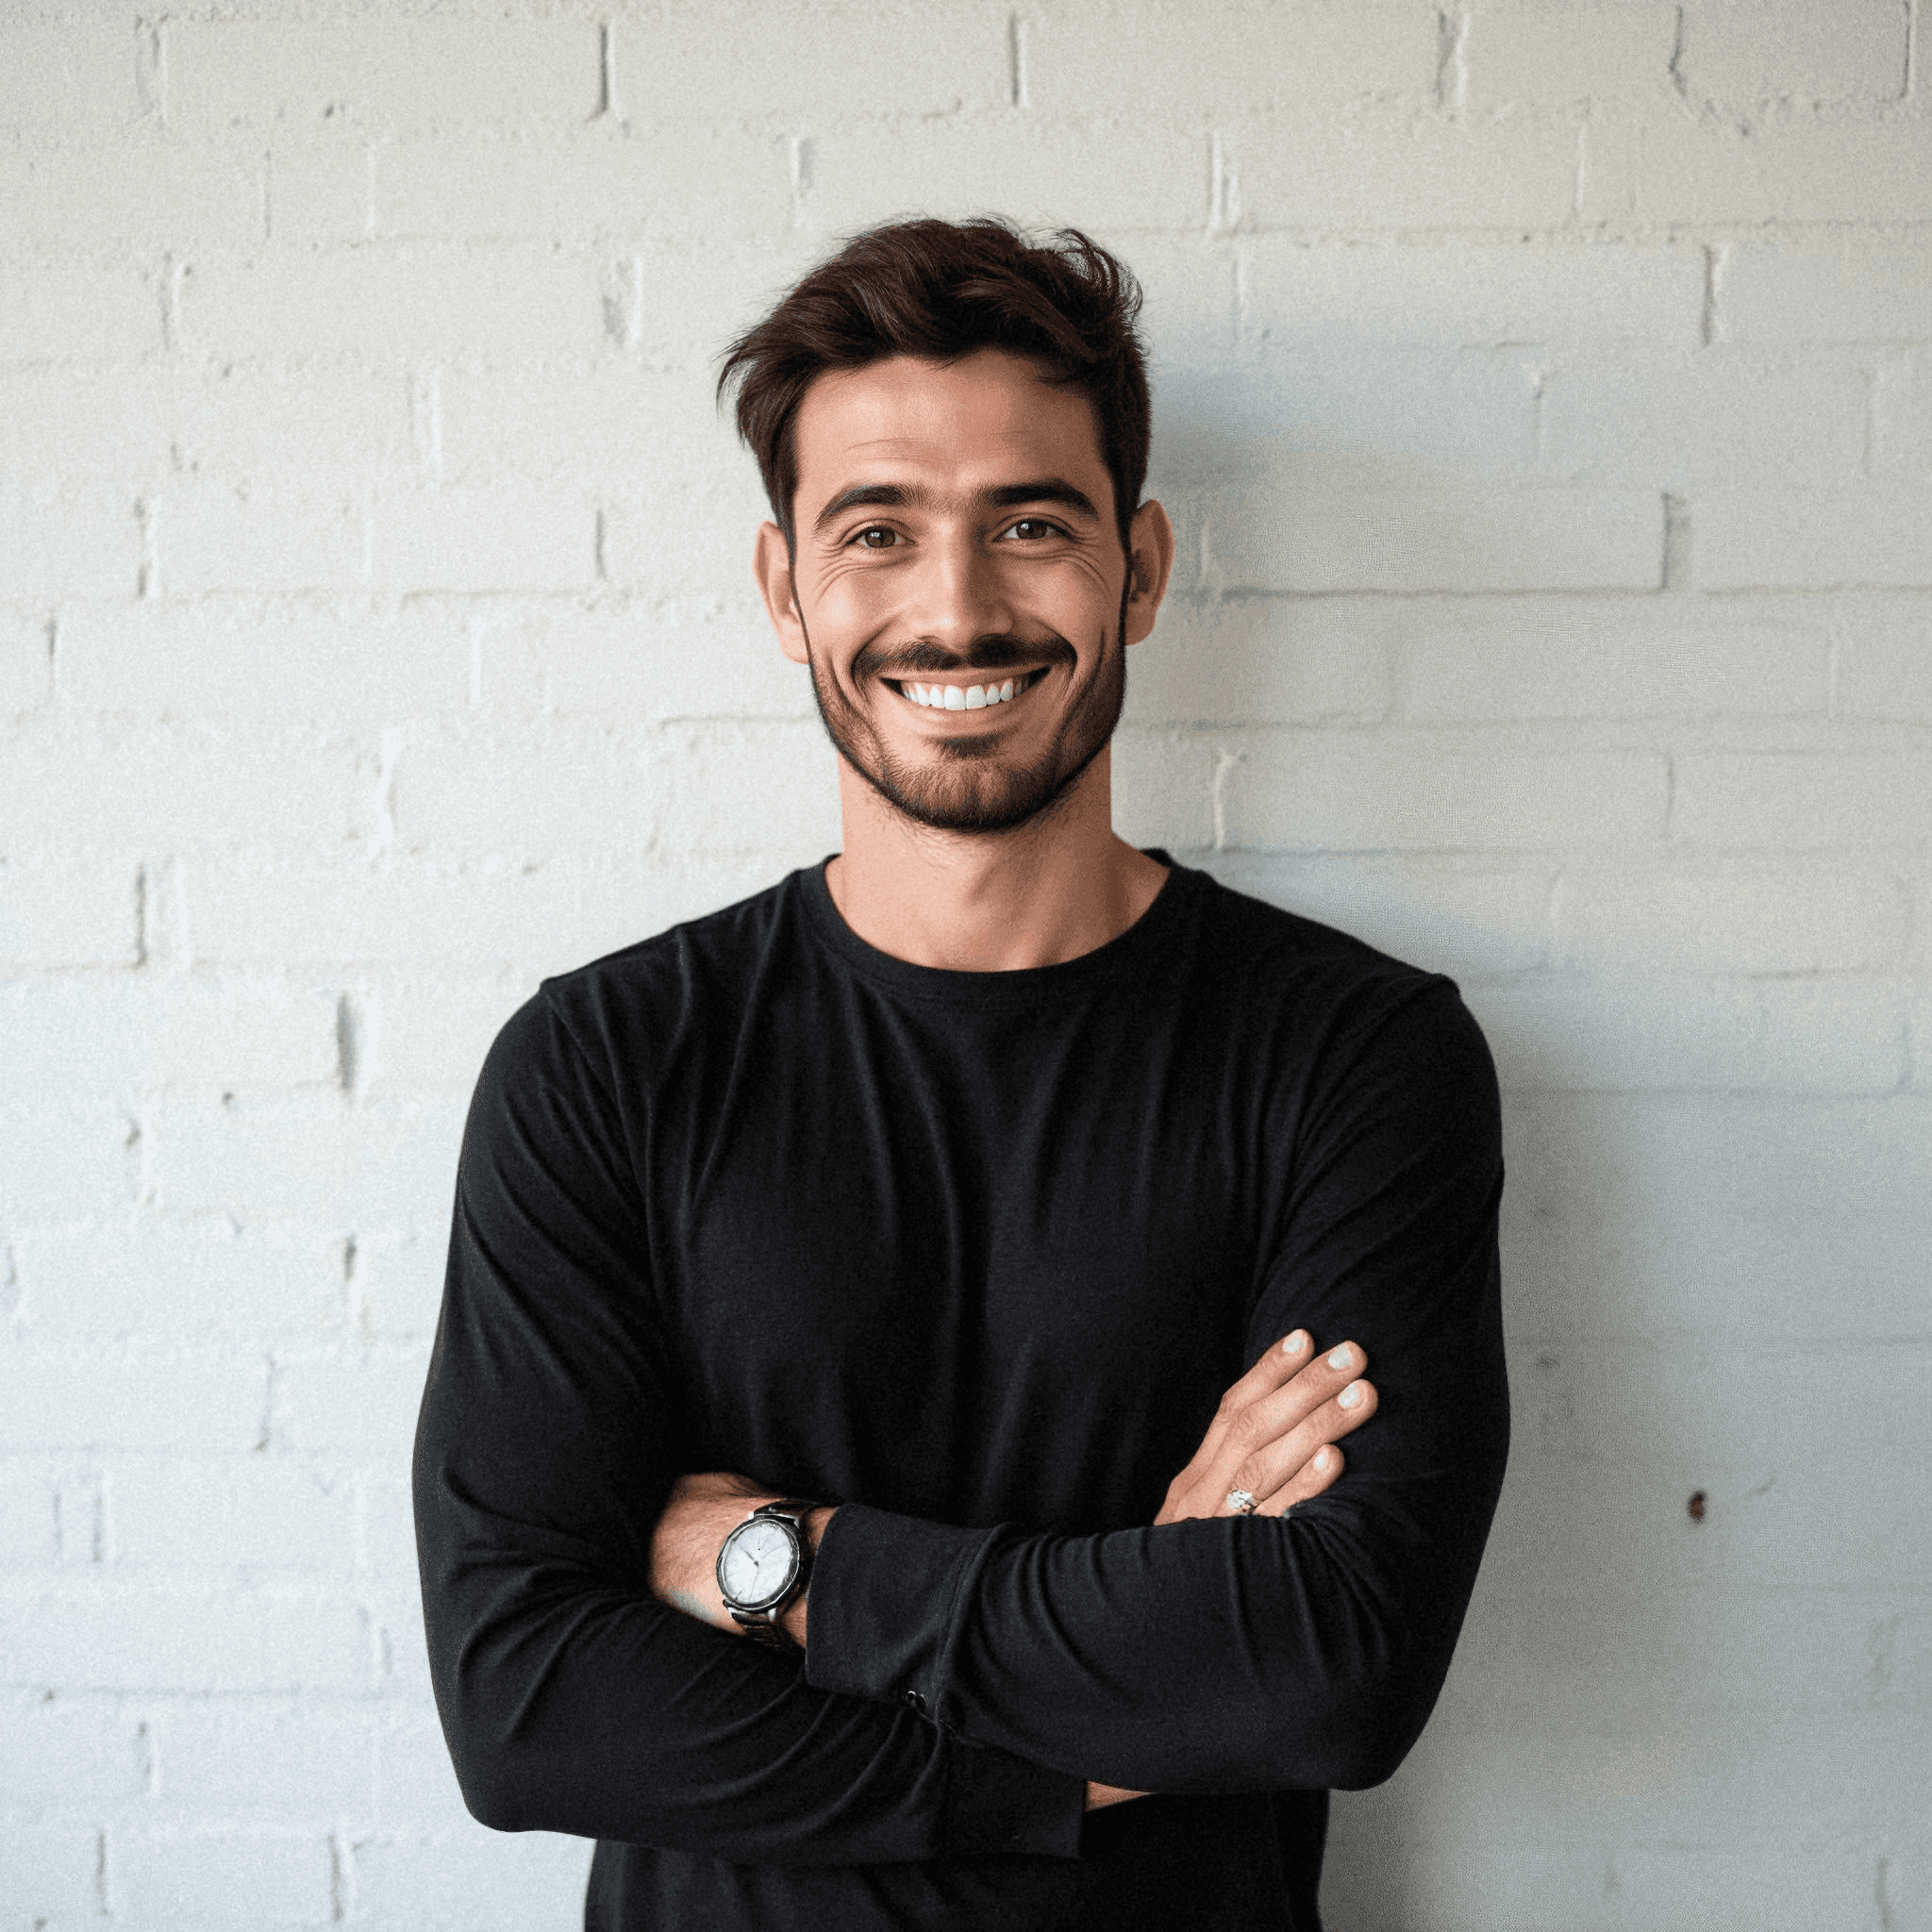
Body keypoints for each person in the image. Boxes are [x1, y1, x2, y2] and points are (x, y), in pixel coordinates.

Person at [413, 216, 1509, 1932]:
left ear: (1139, 568)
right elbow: (526, 1707)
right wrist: (1096, 1721)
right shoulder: (605, 1062)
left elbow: (1330, 1666)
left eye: (1032, 523)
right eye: (877, 531)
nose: (959, 606)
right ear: (786, 589)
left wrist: (770, 1565)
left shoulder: (1353, 1056)